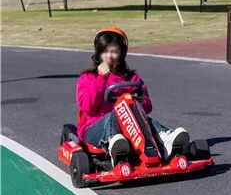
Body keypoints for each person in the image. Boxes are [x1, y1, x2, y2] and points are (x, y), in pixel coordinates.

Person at [76, 27, 189, 162]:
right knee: (116, 113)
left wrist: (138, 101)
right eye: (105, 52)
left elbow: (147, 106)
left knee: (145, 119)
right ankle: (114, 143)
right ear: (99, 53)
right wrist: (101, 78)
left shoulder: (131, 78)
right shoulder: (88, 77)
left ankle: (165, 139)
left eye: (114, 52)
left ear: (121, 53)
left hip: (129, 126)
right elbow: (88, 107)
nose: (109, 56)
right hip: (93, 129)